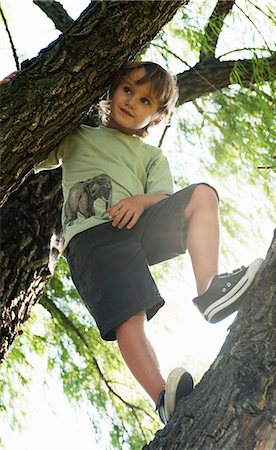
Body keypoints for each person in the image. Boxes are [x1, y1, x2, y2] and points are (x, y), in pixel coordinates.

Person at [32, 61, 262, 424]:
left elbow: (162, 197)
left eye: (145, 101)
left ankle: (211, 292)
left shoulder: (151, 156)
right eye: (127, 90)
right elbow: (30, 150)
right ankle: (162, 398)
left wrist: (140, 202)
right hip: (93, 240)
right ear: (111, 91)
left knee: (203, 195)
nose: (132, 101)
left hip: (138, 227)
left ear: (155, 118)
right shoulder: (77, 135)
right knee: (129, 318)